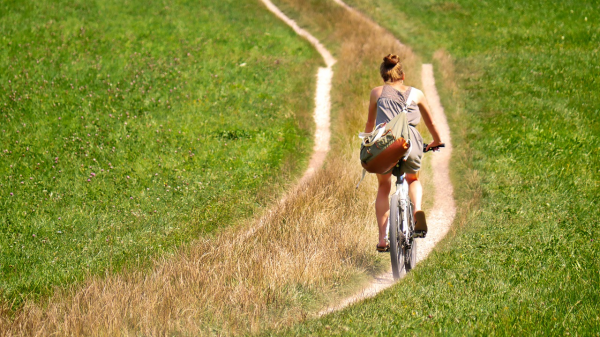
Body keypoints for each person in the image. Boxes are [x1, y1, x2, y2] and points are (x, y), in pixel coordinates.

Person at [365, 54, 444, 252]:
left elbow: (369, 123)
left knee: (384, 185)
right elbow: (431, 122)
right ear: (403, 75)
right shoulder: (416, 94)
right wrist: (437, 141)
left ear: (384, 76)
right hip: (411, 143)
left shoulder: (376, 93)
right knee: (412, 179)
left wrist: (368, 142)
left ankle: (383, 239)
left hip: (385, 143)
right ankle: (417, 211)